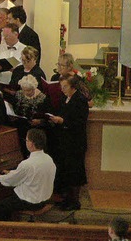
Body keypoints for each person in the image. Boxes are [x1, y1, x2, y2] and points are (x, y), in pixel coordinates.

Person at [0, 129, 56, 221]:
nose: (26, 142)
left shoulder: (27, 163)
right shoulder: (48, 159)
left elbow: (12, 181)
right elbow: (26, 174)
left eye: (26, 140)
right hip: (44, 198)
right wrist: (11, 173)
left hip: (30, 201)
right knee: (5, 202)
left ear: (31, 144)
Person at [48, 74, 89, 211]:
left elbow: (80, 122)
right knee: (65, 170)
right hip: (64, 141)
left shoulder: (80, 100)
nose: (62, 89)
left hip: (75, 142)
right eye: (61, 86)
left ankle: (75, 201)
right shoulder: (65, 98)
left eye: (64, 86)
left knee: (75, 171)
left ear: (73, 86)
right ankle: (67, 199)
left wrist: (63, 121)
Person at [13, 75, 51, 156]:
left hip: (37, 130)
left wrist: (40, 121)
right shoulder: (19, 94)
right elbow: (16, 109)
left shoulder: (43, 98)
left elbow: (48, 117)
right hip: (22, 127)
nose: (26, 93)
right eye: (24, 90)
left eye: (29, 90)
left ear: (34, 88)